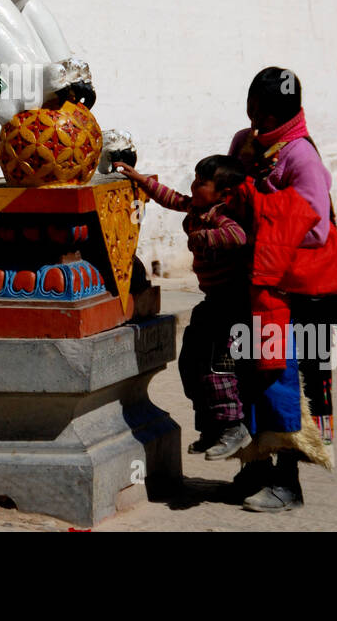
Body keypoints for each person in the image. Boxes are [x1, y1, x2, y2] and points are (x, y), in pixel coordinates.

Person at [226, 67, 337, 512]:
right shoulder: (244, 144)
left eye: (264, 116)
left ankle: (288, 485)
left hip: (296, 299)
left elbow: (316, 229)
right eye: (251, 112)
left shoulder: (300, 157)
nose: (254, 123)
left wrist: (258, 215)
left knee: (286, 384)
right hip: (253, 288)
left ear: (283, 113)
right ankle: (252, 470)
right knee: (245, 376)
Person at [115, 155, 254, 461]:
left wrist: (205, 237)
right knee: (191, 362)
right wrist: (139, 179)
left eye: (202, 182)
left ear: (224, 194)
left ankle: (233, 426)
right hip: (212, 301)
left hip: (232, 303)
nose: (194, 185)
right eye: (195, 178)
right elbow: (170, 198)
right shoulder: (196, 207)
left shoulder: (220, 216)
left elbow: (237, 236)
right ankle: (210, 428)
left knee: (218, 365)